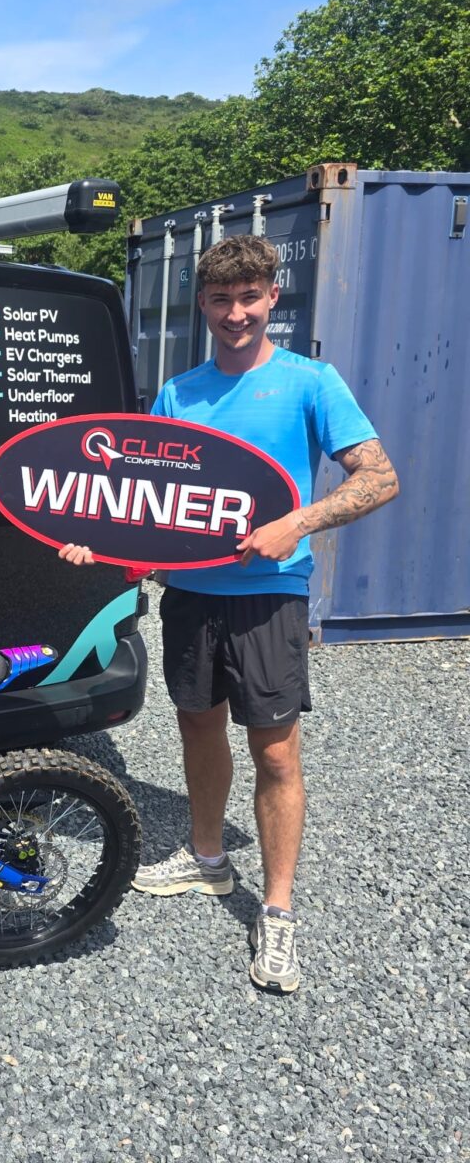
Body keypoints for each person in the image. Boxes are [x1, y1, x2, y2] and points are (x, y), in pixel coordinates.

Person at [58, 234, 398, 993]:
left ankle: (276, 911)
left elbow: (379, 479)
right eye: (221, 299)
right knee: (198, 726)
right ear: (203, 305)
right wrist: (99, 544)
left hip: (269, 597)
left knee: (275, 753)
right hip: (191, 598)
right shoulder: (179, 395)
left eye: (249, 298)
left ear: (273, 297)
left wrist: (297, 523)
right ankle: (207, 857)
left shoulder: (312, 383)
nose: (236, 313)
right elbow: (148, 510)